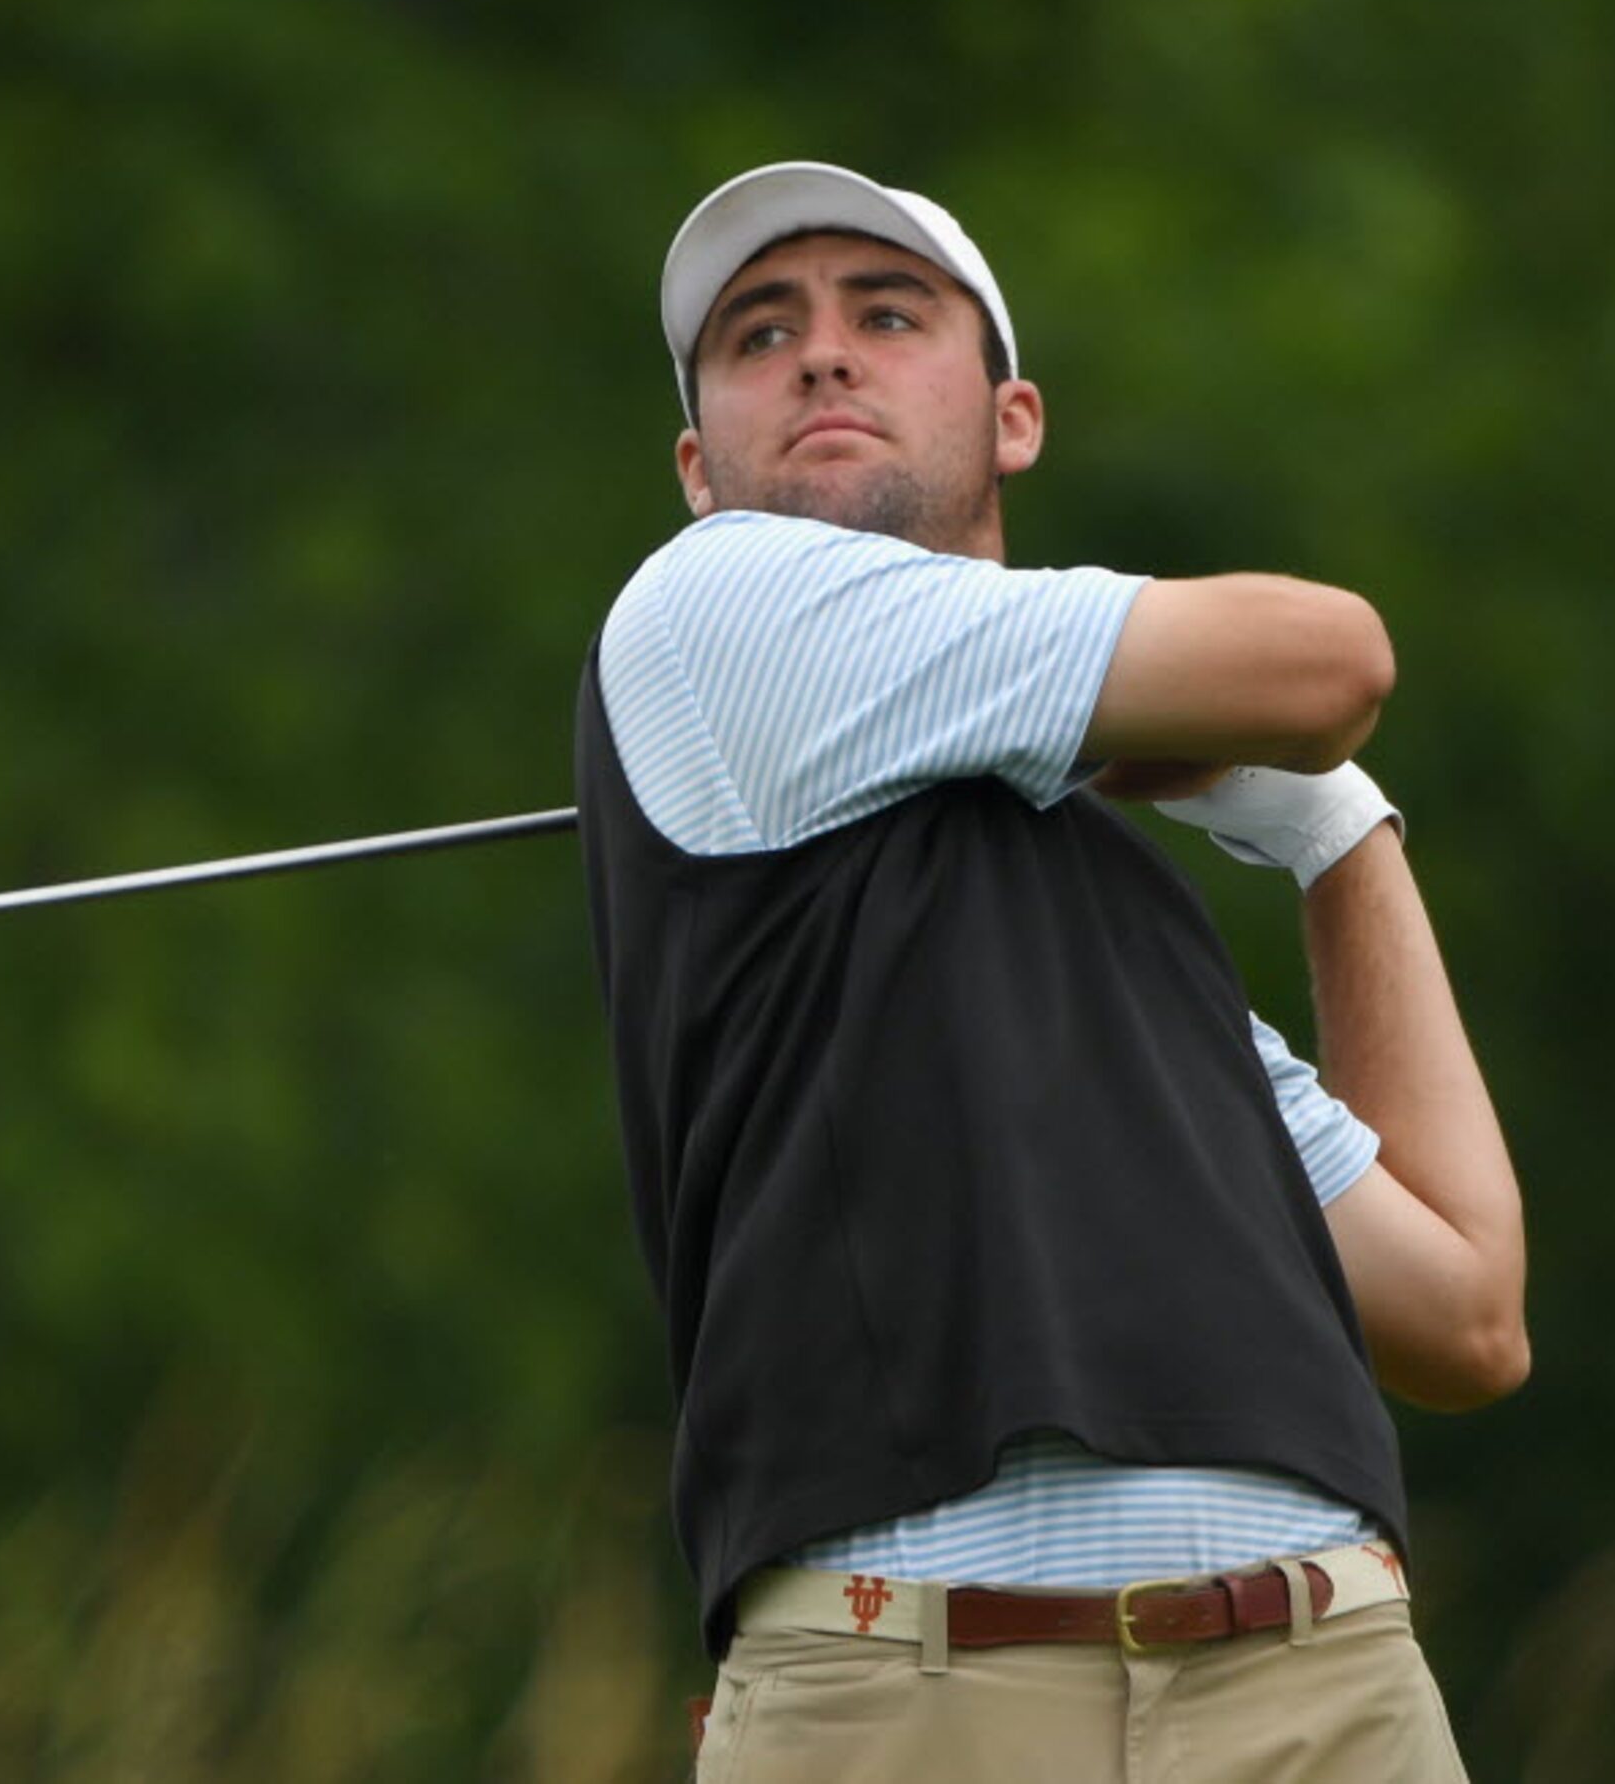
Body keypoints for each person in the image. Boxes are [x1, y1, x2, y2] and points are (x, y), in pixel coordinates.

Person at [575, 161, 1528, 1781]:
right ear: (695, 468)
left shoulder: (1117, 914)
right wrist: (1268, 736)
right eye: (758, 335)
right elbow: (1332, 658)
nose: (821, 355)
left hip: (1323, 1680)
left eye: (887, 316)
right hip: (917, 1687)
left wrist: (1339, 834)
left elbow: (1464, 1307)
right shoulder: (706, 612)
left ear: (1013, 417)